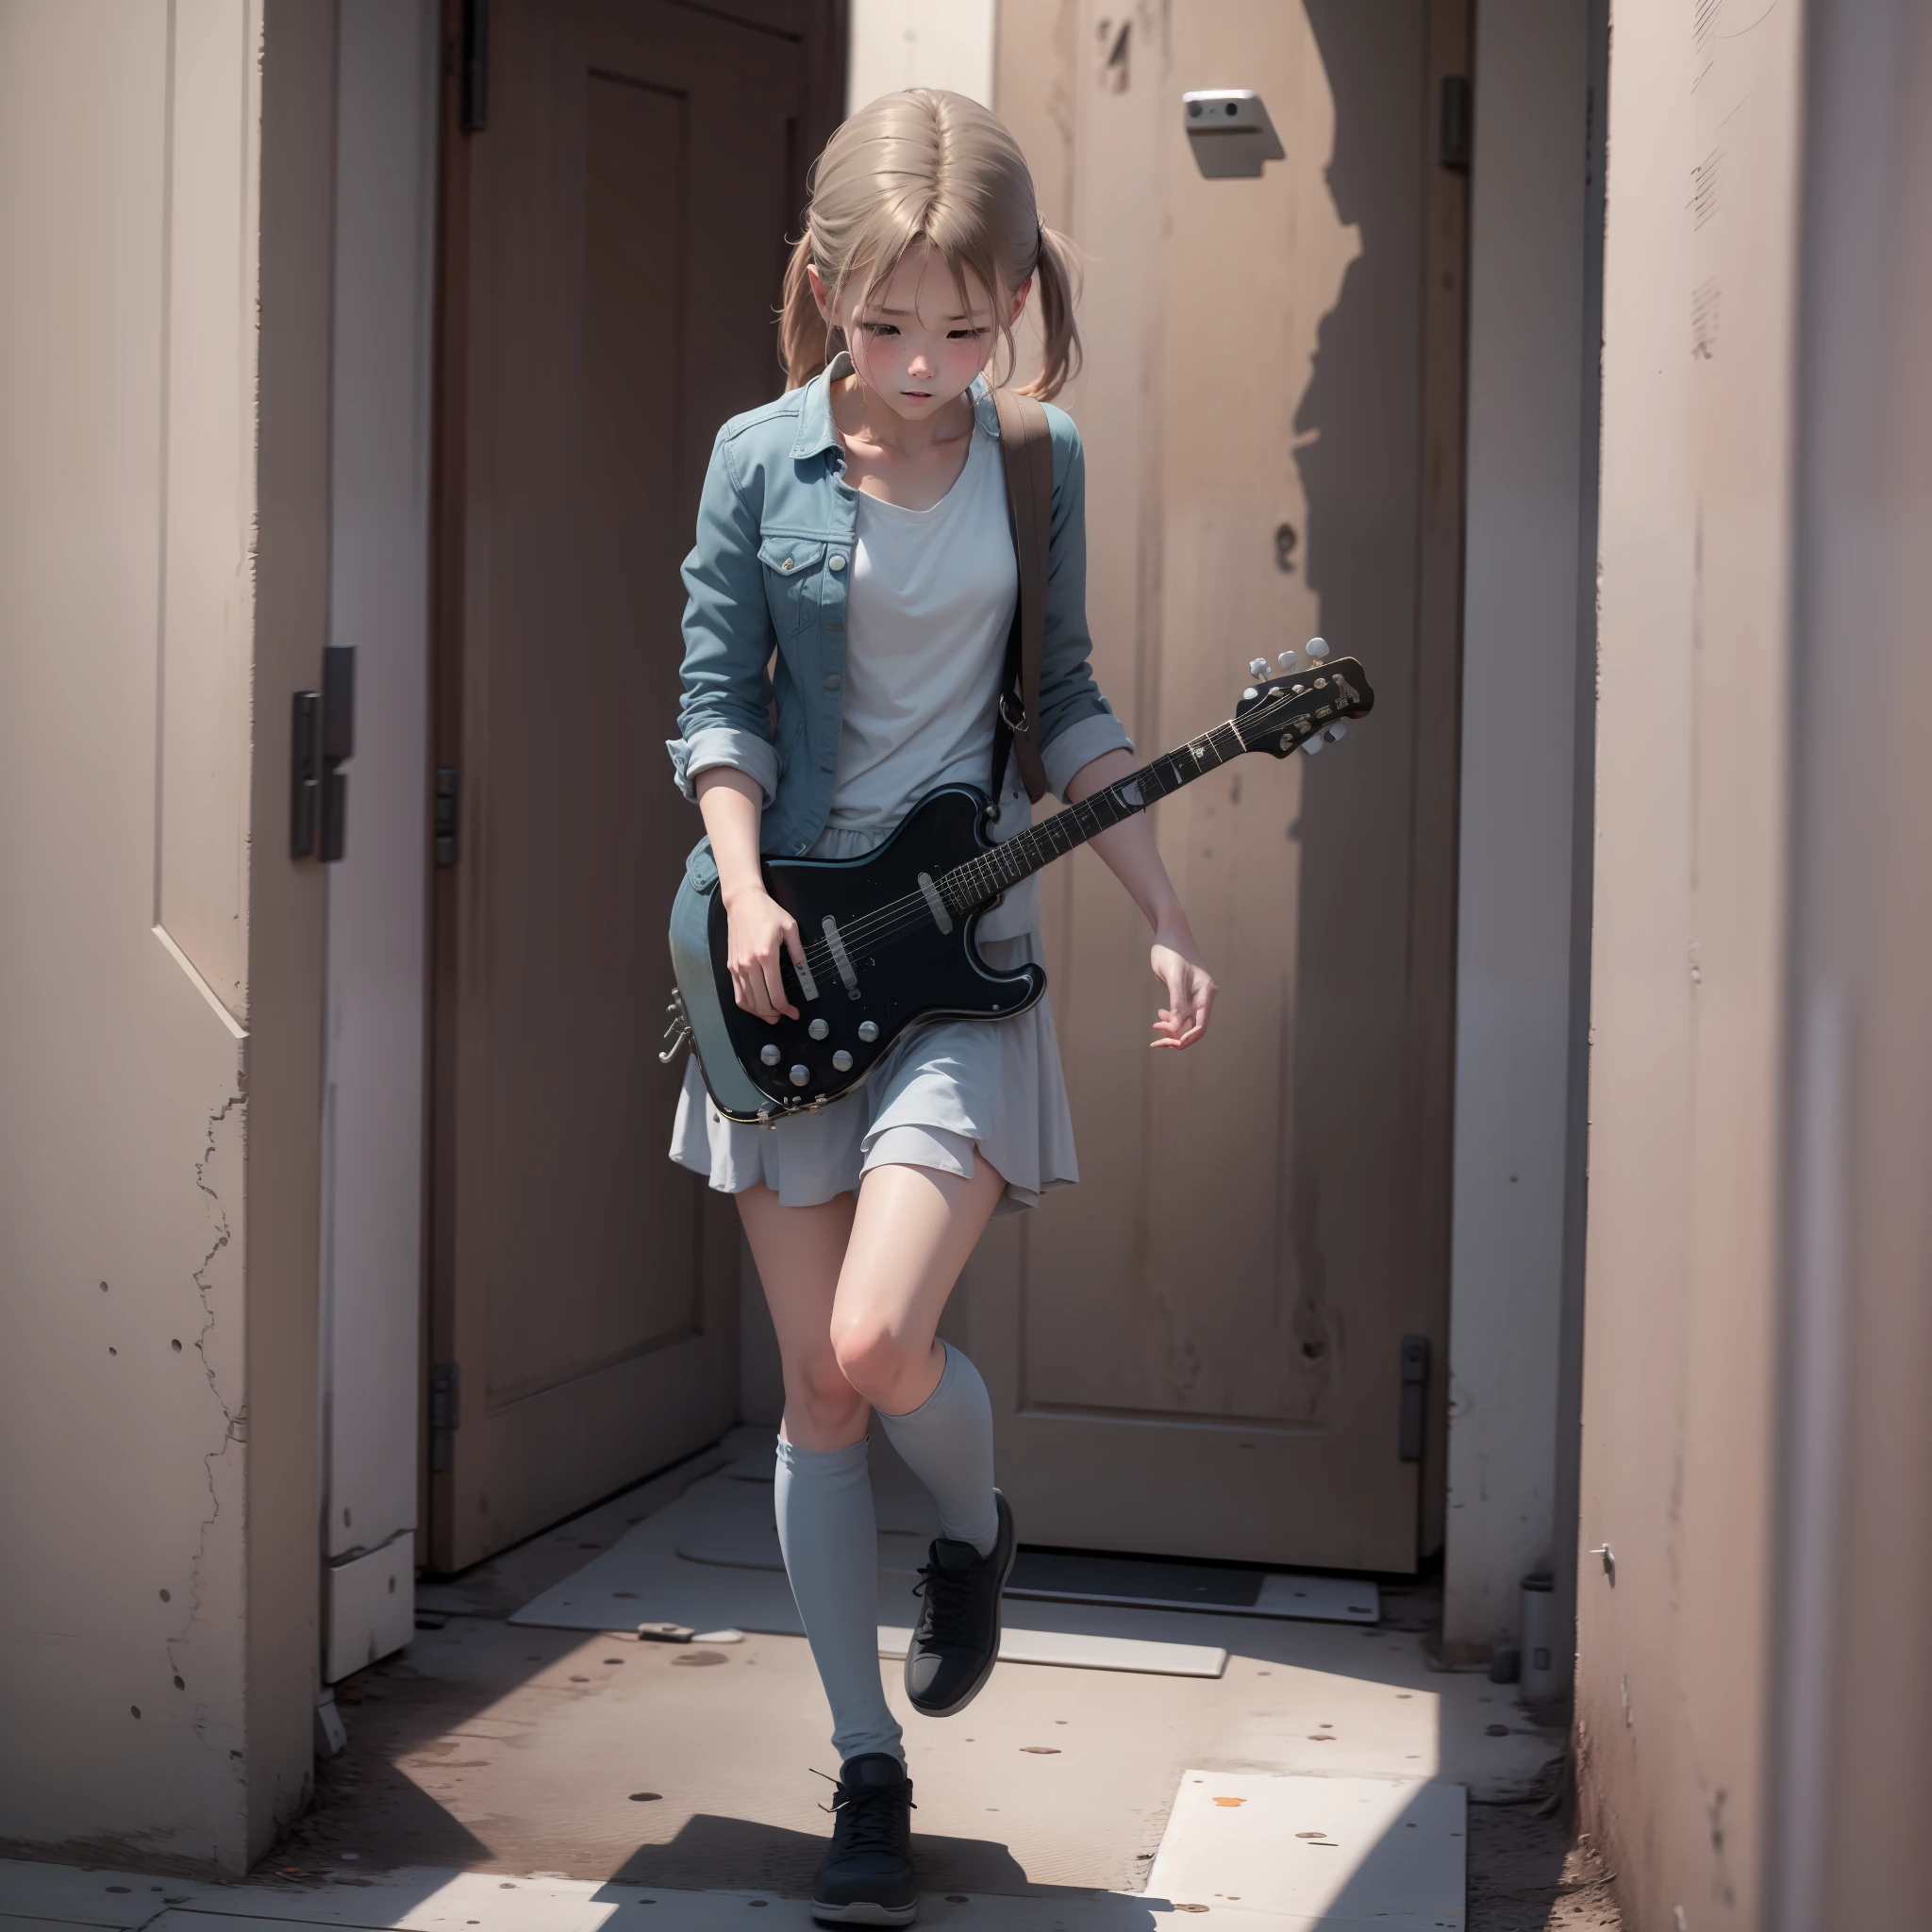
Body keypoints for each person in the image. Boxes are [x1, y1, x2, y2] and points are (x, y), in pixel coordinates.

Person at [665, 89, 1216, 1926]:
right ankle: (866, 1771)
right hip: (778, 962)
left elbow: (1062, 705)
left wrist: (1157, 905)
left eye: (962, 329)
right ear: (825, 288)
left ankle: (972, 1526)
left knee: (890, 1340)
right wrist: (741, 887)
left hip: (956, 969)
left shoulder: (1032, 461)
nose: (920, 365)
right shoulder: (757, 459)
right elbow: (716, 705)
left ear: (1015, 300)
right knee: (819, 1389)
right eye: (885, 324)